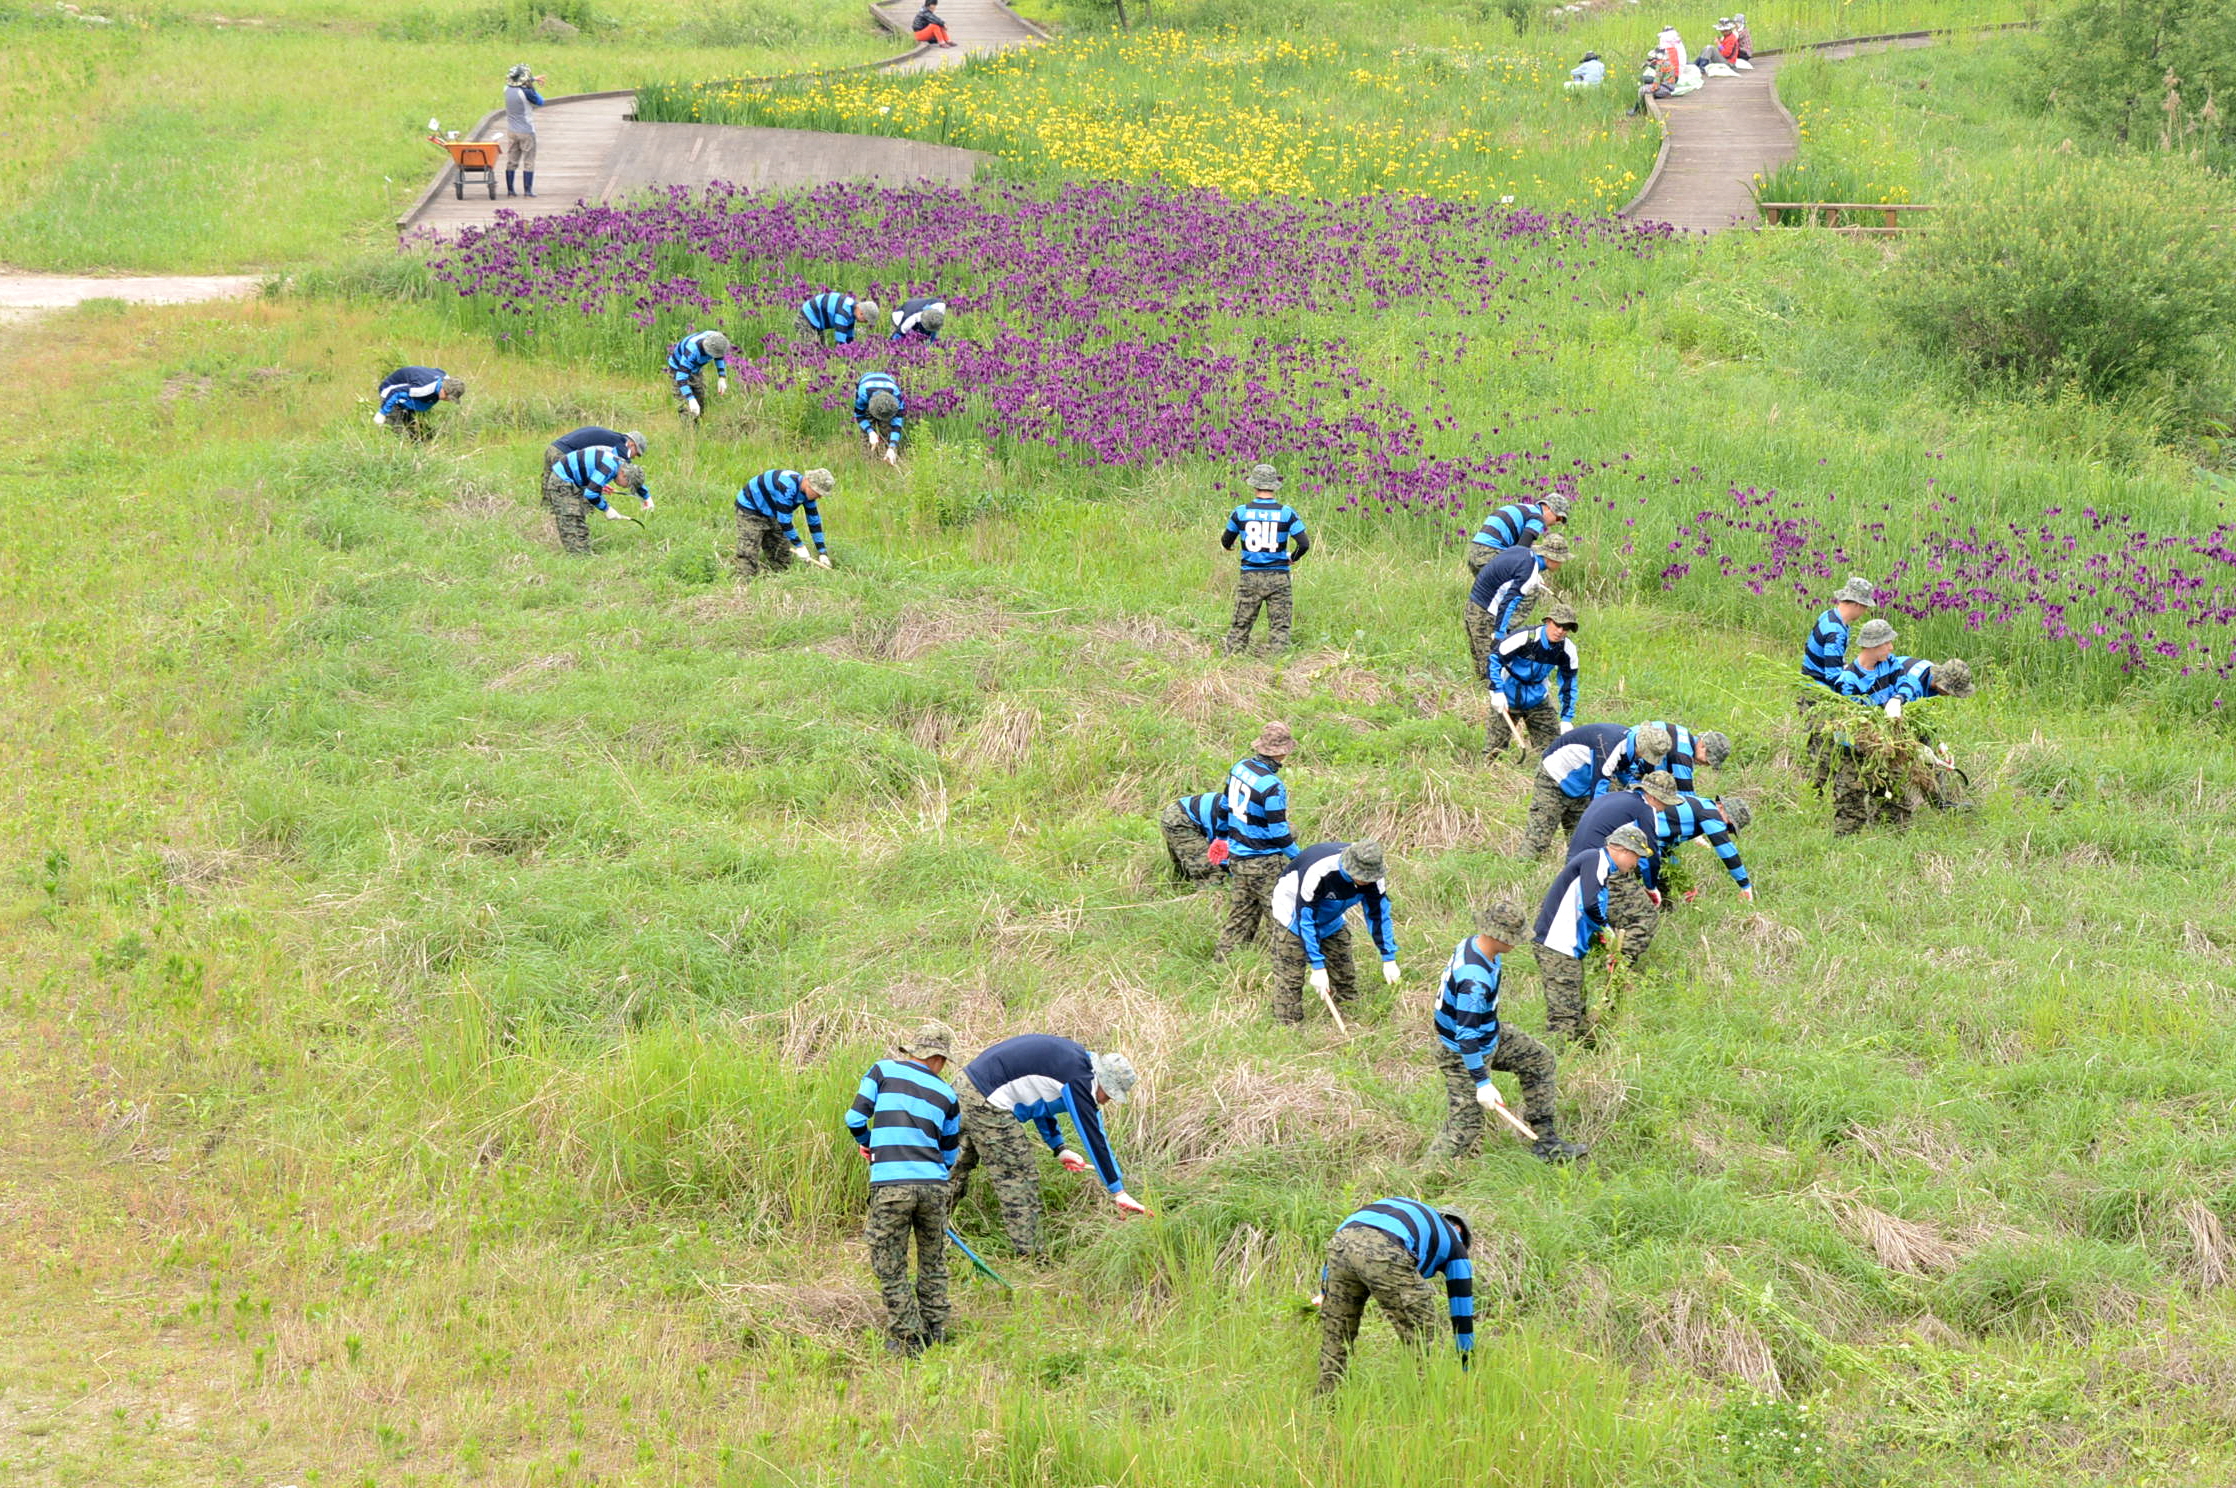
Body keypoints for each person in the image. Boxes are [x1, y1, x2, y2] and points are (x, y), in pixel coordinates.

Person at [947, 1034, 1148, 1256]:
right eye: (1109, 1094)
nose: (1106, 1100)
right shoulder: (1080, 1079)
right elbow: (1093, 1137)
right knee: (1018, 1178)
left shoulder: (1074, 1062)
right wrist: (1118, 1191)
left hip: (966, 1088)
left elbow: (1039, 1101)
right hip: (986, 1100)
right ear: (1103, 1081)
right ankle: (1031, 1256)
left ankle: (930, 1228)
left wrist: (1059, 1148)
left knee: (954, 1166)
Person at [1427, 904, 1585, 1166]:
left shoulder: (1473, 944)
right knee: (1464, 1127)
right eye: (1514, 938)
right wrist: (1481, 1082)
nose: (1517, 943)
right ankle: (1424, 1181)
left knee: (1539, 1060)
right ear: (1498, 936)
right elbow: (1466, 1034)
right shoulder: (1474, 980)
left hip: (1490, 1035)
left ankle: (1546, 1141)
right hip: (1463, 1053)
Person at [846, 1021, 962, 1355]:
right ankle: (935, 1329)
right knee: (933, 1260)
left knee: (890, 1262)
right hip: (933, 1187)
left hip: (891, 1185)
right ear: (939, 1059)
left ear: (914, 1051)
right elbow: (950, 1155)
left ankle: (909, 1338)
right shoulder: (948, 1095)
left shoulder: (882, 1071)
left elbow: (854, 1119)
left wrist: (870, 1145)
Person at [1314, 1198, 1473, 1394]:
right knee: (1424, 1332)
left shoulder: (1412, 1216)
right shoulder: (1455, 1242)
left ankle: (1327, 1401)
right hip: (1385, 1248)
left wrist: (1324, 1292)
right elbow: (1462, 1310)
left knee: (1337, 1332)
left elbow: (1347, 1236)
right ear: (1459, 1229)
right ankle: (1426, 1404)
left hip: (1340, 1244)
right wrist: (1467, 1363)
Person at [1532, 821, 1651, 1045]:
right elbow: (1589, 904)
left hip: (1567, 947)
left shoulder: (1601, 866)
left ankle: (1579, 1055)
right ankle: (1553, 1064)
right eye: (1636, 856)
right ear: (1623, 850)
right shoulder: (1596, 860)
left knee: (1577, 1006)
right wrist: (1606, 929)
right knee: (1565, 1015)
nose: (1636, 863)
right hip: (1556, 944)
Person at [1267, 840, 1398, 1026]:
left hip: (1332, 918)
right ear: (1350, 867)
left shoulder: (1374, 876)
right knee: (1291, 977)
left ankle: (1351, 1018)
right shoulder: (1319, 871)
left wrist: (1388, 957)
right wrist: (1317, 966)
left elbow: (1379, 916)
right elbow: (1306, 919)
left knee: (1344, 973)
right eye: (1362, 877)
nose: (1366, 881)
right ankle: (1289, 1027)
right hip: (1293, 915)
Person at [1564, 772, 1682, 963]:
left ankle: (1597, 952)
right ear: (1652, 796)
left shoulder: (1616, 797)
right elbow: (1649, 855)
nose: (1665, 808)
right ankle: (1618, 965)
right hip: (1599, 868)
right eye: (1665, 802)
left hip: (1575, 863)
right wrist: (1651, 887)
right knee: (1646, 917)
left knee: (1603, 912)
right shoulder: (1645, 810)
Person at [1209, 722, 1301, 960]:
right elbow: (1279, 832)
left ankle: (1221, 964)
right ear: (1283, 751)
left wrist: (1220, 839)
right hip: (1264, 863)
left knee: (1239, 916)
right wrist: (1300, 859)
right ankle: (1281, 968)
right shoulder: (1272, 786)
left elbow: (1223, 806)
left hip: (1238, 858)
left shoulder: (1239, 768)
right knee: (1280, 919)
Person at [1520, 721, 1672, 858]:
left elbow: (1626, 776)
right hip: (1554, 778)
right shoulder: (1610, 746)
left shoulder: (1630, 745)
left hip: (1583, 786)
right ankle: (1523, 867)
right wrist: (1604, 818)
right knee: (1538, 838)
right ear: (1643, 747)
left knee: (1584, 840)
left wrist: (1642, 796)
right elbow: (1599, 792)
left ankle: (1575, 876)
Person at [1221, 463, 1310, 655]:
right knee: (1280, 627)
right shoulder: (1287, 513)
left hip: (1250, 576)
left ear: (1254, 485)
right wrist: (1292, 558)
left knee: (1240, 624)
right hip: (1279, 576)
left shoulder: (1240, 512)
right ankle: (1278, 668)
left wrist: (1230, 547)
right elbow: (1304, 544)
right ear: (1274, 486)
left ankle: (1232, 663)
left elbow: (1226, 541)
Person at [1465, 532, 1572, 677]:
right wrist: (1499, 634)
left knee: (1483, 666)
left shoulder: (1523, 553)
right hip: (1484, 612)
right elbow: (1508, 603)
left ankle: (1477, 694)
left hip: (1473, 604)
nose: (1561, 564)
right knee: (1492, 672)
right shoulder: (1528, 572)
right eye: (1561, 560)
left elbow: (1511, 569)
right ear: (1551, 559)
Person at [1483, 603, 1580, 764]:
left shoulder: (1567, 650)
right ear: (1548, 621)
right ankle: (1486, 776)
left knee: (1553, 754)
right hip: (1508, 696)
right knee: (1493, 752)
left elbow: (1569, 683)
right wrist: (1497, 690)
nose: (1560, 631)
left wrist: (1566, 718)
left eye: (1566, 628)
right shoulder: (1524, 638)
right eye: (1558, 625)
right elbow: (1494, 658)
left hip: (1537, 699)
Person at [1654, 785, 1755, 902]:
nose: (1727, 831)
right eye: (1730, 825)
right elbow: (1726, 850)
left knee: (1662, 895)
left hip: (1642, 836)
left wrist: (1684, 884)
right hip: (1634, 829)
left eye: (1731, 830)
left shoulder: (1698, 810)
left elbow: (1665, 848)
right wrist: (1745, 885)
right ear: (1721, 807)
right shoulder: (1710, 813)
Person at [542, 444, 648, 555]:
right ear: (623, 474)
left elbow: (592, 471)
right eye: (627, 484)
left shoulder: (618, 463)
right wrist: (607, 509)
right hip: (562, 480)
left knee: (578, 515)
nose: (624, 487)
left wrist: (598, 484)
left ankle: (582, 552)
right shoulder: (609, 467)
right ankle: (580, 556)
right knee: (571, 518)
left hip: (571, 479)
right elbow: (591, 494)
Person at [734, 467, 835, 577]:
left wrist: (822, 552)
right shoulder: (787, 486)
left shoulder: (809, 496)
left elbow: (814, 522)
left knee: (782, 555)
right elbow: (784, 521)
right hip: (751, 508)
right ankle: (744, 584)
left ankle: (777, 581)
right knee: (748, 552)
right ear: (808, 482)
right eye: (818, 492)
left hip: (773, 512)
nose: (819, 497)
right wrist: (800, 546)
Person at [1465, 492, 1572, 573]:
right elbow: (1521, 551)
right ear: (1548, 508)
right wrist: (1533, 575)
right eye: (1558, 518)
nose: (1556, 523)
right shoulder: (1537, 518)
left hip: (1474, 552)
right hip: (1490, 553)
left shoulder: (1524, 509)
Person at [1628, 721, 1730, 794]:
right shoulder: (1682, 757)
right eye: (1708, 761)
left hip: (1627, 743)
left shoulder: (1684, 734)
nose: (1706, 765)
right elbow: (1687, 798)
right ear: (1703, 746)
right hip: (1628, 763)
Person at [374, 367, 463, 441]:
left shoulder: (446, 379)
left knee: (418, 431)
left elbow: (438, 370)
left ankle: (424, 441)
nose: (448, 400)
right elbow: (395, 393)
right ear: (443, 389)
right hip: (390, 393)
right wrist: (382, 413)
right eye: (448, 397)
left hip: (410, 396)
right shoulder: (422, 389)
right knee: (397, 433)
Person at [1158, 788, 1223, 884]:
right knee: (1209, 873)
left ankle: (1181, 887)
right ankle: (1208, 896)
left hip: (1179, 811)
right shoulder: (1241, 818)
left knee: (1185, 867)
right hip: (1181, 819)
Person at [667, 330, 732, 420]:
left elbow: (719, 355)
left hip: (695, 369)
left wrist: (722, 377)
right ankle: (688, 429)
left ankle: (698, 425)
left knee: (699, 396)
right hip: (678, 368)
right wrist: (690, 399)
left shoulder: (718, 340)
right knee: (685, 402)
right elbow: (681, 377)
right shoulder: (692, 350)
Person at [501, 63, 544, 198]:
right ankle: (527, 191)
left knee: (512, 160)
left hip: (512, 130)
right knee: (529, 161)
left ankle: (510, 190)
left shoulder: (506, 89)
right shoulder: (526, 92)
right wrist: (532, 85)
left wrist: (532, 79)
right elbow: (540, 101)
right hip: (526, 131)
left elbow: (516, 83)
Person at [854, 372, 906, 465]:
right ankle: (868, 463)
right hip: (868, 392)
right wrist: (870, 432)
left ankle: (888, 456)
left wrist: (892, 446)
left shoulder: (896, 396)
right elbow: (859, 415)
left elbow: (897, 424)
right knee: (867, 438)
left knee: (887, 431)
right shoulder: (863, 394)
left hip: (888, 394)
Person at [542, 426, 644, 473]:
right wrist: (646, 496)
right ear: (632, 444)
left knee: (552, 489)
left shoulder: (612, 438)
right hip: (563, 453)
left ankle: (546, 514)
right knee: (574, 493)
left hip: (553, 449)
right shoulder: (621, 443)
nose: (635, 457)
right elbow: (629, 471)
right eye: (637, 453)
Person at [800, 291, 880, 347]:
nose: (865, 323)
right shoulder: (844, 313)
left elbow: (849, 338)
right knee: (811, 349)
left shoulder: (852, 313)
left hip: (816, 321)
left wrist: (852, 348)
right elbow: (840, 342)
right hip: (807, 318)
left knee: (820, 348)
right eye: (866, 320)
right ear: (861, 313)